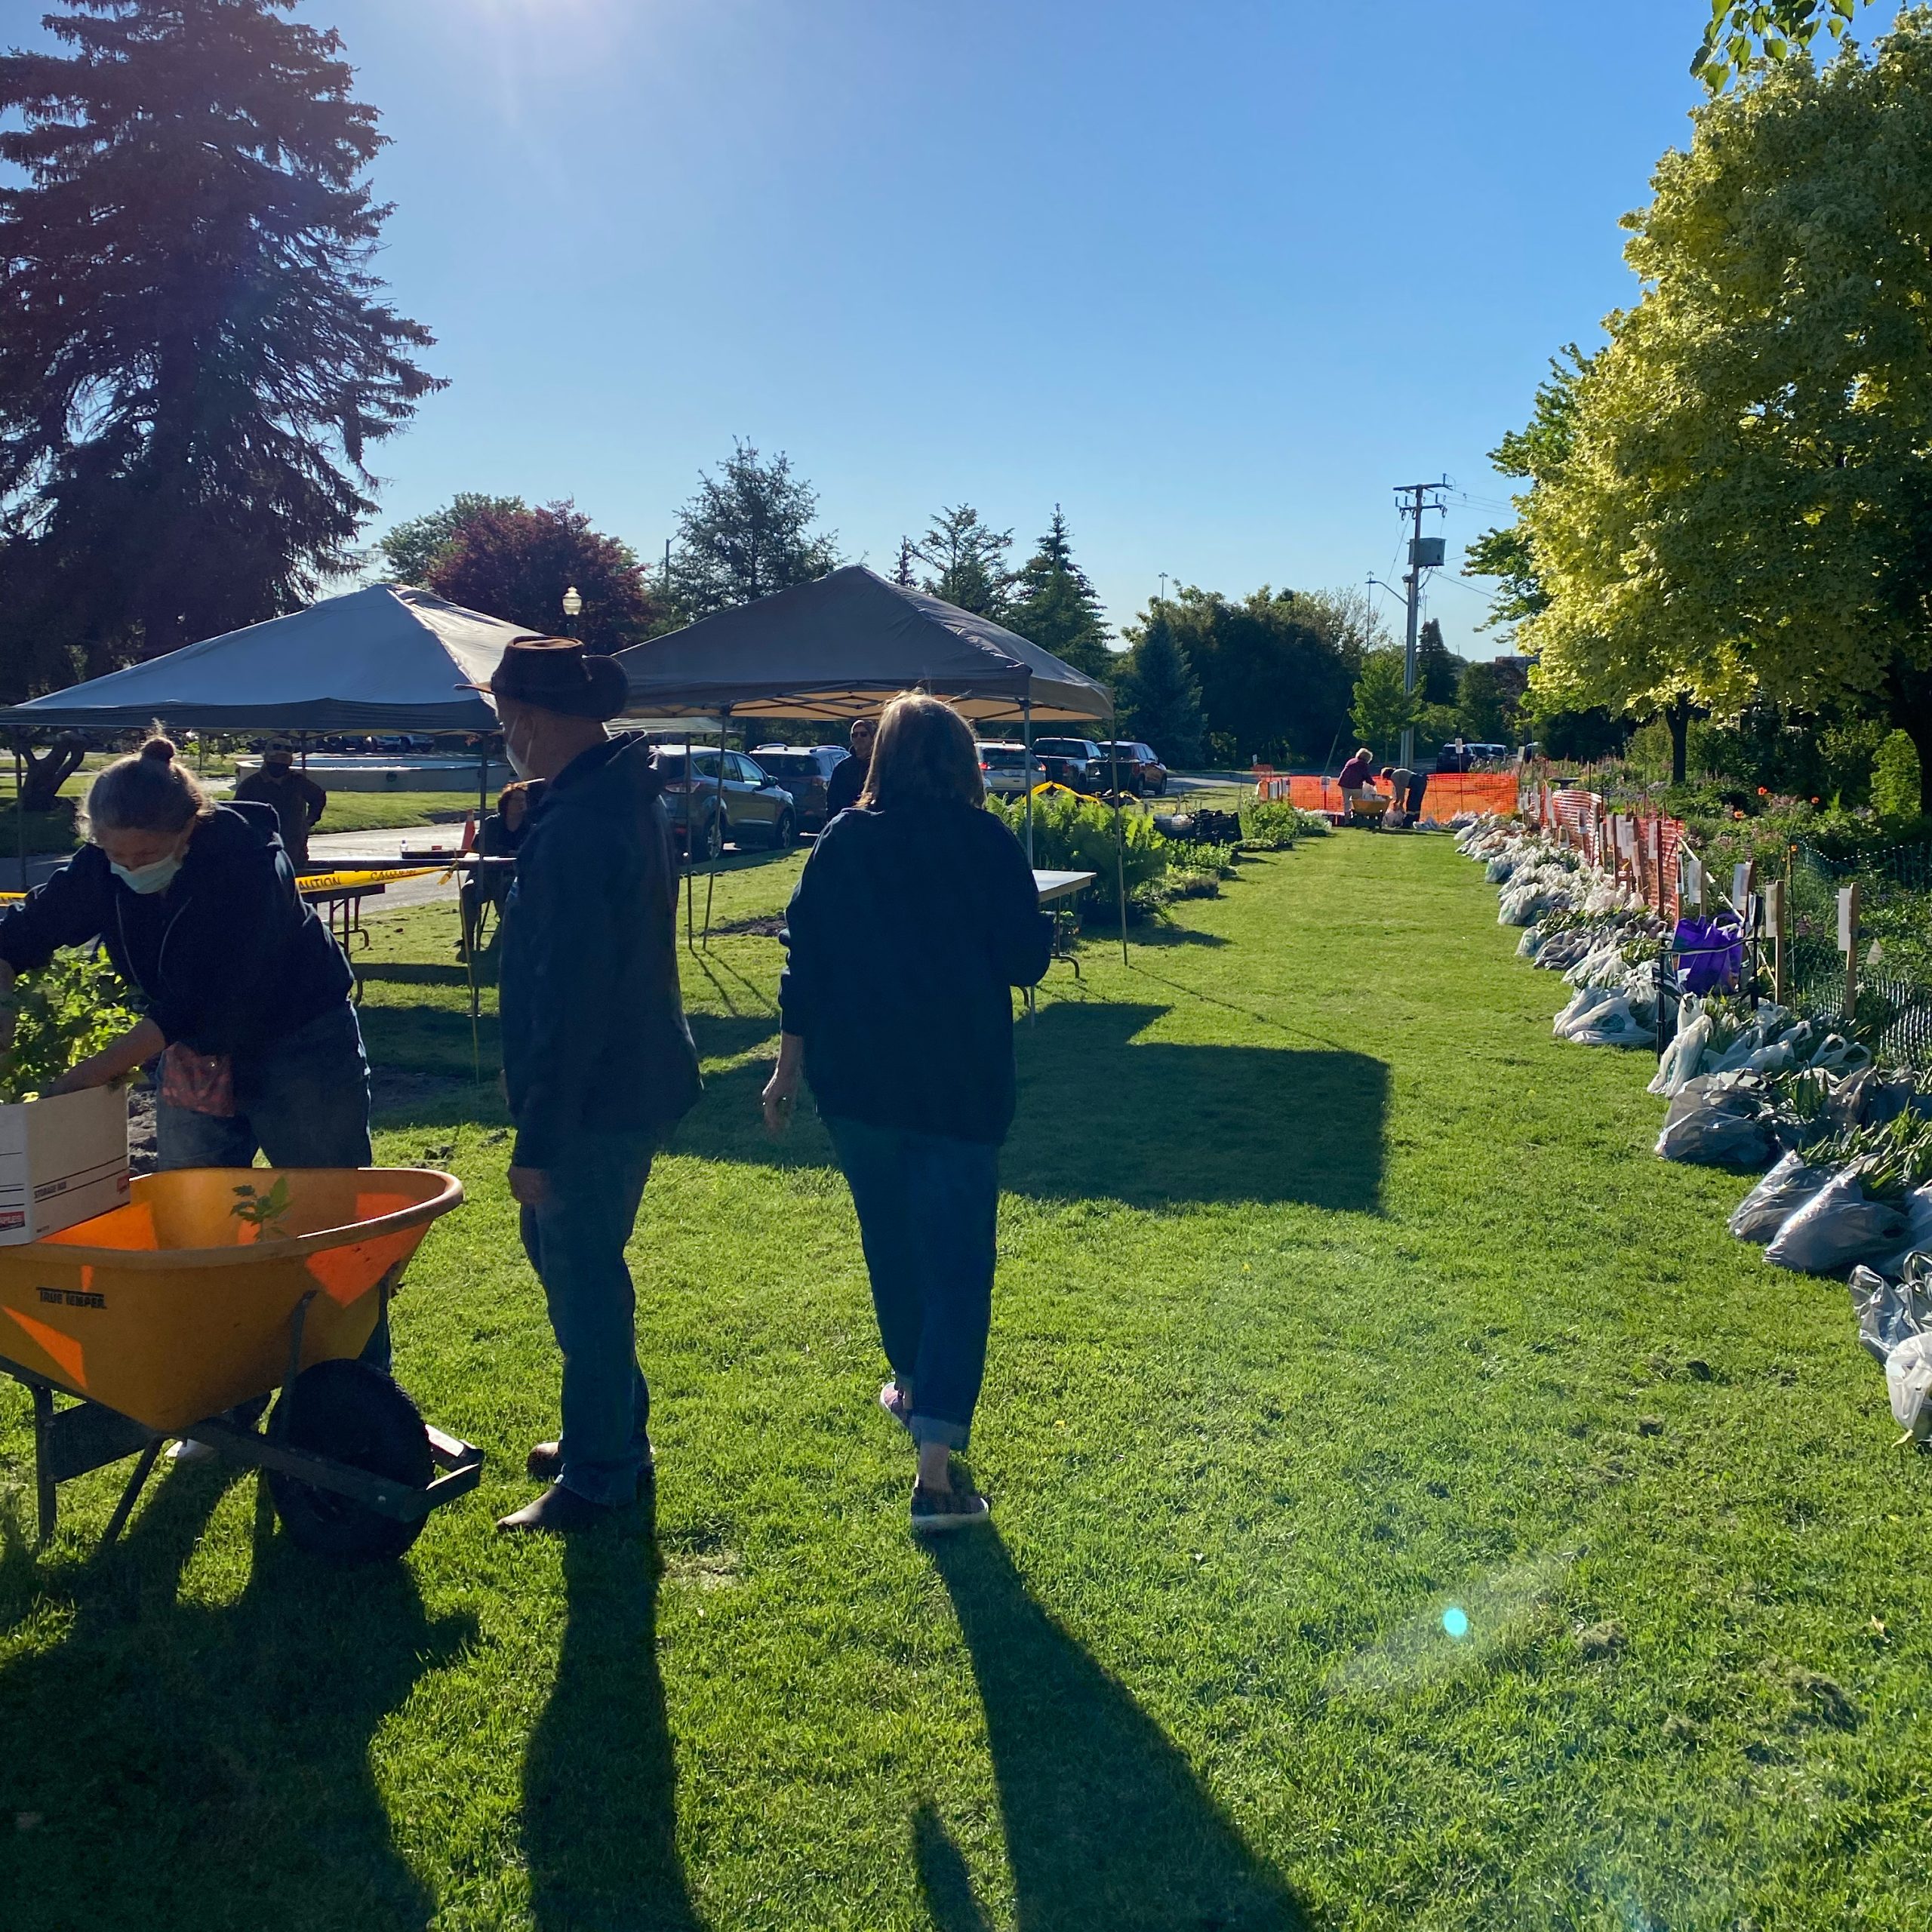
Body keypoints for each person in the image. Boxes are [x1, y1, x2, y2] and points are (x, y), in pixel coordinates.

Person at [0, 735, 379, 1439]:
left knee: (333, 1219)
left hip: (299, 1045)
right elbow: (24, 930)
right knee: (198, 1228)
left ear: (188, 828)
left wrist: (84, 1079)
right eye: (115, 855)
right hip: (190, 1057)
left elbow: (194, 1003)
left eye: (144, 856)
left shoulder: (246, 865)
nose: (129, 869)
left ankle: (353, 1403)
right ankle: (218, 1402)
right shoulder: (101, 868)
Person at [763, 692, 1051, 1534]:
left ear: (879, 755)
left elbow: (803, 960)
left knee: (891, 1244)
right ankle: (933, 1467)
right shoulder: (987, 842)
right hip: (958, 1084)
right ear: (964, 761)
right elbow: (1023, 959)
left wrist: (787, 1069)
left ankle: (918, 1392)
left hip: (859, 1087)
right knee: (958, 1264)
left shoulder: (844, 840)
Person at [484, 640, 702, 1535]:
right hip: (627, 1078)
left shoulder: (582, 824)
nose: (503, 735)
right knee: (573, 1265)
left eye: (503, 718)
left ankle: (603, 1466)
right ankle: (606, 1430)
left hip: (593, 1092)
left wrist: (538, 1142)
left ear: (531, 718)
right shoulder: (614, 796)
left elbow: (568, 999)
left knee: (580, 1276)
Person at [459, 781, 534, 956]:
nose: (521, 804)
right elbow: (477, 846)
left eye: (523, 800)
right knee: (468, 891)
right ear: (506, 803)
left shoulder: (530, 826)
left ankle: (510, 940)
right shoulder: (492, 823)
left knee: (508, 890)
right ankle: (468, 940)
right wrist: (502, 850)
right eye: (516, 800)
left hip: (514, 877)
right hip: (487, 875)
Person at [234, 742, 328, 868]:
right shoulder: (251, 784)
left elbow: (318, 797)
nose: (279, 764)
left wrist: (309, 821)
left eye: (284, 760)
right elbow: (238, 810)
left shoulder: (298, 781)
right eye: (275, 759)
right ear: (266, 759)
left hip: (293, 843)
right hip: (262, 842)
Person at [824, 715, 877, 819]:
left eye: (863, 734)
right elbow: (832, 800)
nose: (859, 738)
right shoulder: (842, 767)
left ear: (872, 738)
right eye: (855, 735)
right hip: (846, 824)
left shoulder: (880, 766)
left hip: (872, 823)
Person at [1336, 745, 1377, 819]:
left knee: (1346, 802)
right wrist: (1373, 783)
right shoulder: (1363, 765)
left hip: (1344, 783)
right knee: (1358, 802)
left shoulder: (1351, 761)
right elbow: (1366, 776)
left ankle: (1347, 818)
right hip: (1355, 786)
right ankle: (1358, 816)